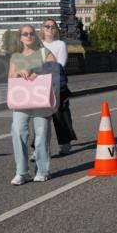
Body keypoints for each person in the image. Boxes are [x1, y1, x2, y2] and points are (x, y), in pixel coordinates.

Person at [8, 24, 58, 185]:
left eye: (31, 34)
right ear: (20, 38)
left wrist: (39, 71)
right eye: (25, 34)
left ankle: (43, 171)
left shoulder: (44, 53)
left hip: (41, 99)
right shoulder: (16, 57)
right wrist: (17, 73)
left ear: (35, 36)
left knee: (42, 134)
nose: (28, 36)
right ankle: (22, 172)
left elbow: (55, 70)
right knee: (17, 132)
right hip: (21, 100)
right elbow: (10, 78)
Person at [39, 19, 76, 155]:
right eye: (47, 26)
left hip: (56, 84)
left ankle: (65, 143)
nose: (50, 29)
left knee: (61, 114)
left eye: (53, 26)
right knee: (41, 117)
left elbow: (60, 64)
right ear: (42, 29)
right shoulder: (38, 45)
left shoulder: (60, 44)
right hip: (40, 84)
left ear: (56, 30)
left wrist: (43, 68)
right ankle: (39, 148)